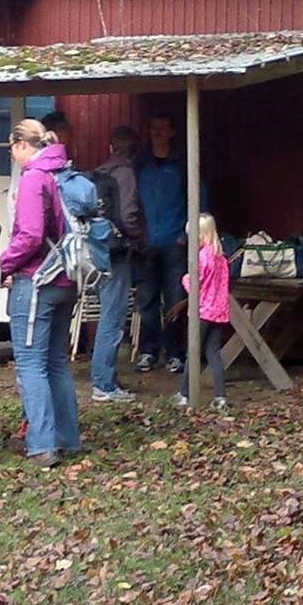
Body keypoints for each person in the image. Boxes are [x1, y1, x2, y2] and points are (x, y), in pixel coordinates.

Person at [0, 119, 81, 468]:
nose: (12, 157)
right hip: (67, 278)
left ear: (21, 144)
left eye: (11, 149)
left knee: (31, 365)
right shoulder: (64, 173)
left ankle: (42, 444)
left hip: (36, 281)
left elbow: (31, 234)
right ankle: (68, 438)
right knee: (56, 362)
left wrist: (5, 262)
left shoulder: (34, 178)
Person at [133, 113, 207, 374]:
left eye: (163, 128)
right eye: (154, 128)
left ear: (173, 133)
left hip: (175, 242)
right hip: (146, 243)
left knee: (176, 301)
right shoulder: (139, 163)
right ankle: (148, 351)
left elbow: (199, 201)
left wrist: (186, 236)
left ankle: (175, 353)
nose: (157, 132)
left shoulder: (183, 163)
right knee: (147, 302)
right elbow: (130, 201)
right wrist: (136, 233)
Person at [90, 125, 144, 403]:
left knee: (105, 315)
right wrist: (136, 237)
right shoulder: (126, 174)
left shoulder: (98, 173)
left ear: (111, 147)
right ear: (133, 150)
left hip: (95, 252)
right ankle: (104, 384)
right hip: (117, 253)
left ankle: (104, 377)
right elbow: (129, 213)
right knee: (113, 317)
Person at [173, 213, 230, 410]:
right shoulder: (220, 257)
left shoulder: (201, 257)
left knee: (193, 352)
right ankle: (221, 396)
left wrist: (185, 279)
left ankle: (183, 393)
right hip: (219, 311)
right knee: (214, 353)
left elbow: (195, 286)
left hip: (202, 311)